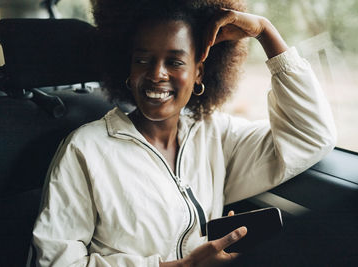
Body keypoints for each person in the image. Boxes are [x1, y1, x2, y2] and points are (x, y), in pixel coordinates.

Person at [28, 0, 336, 266]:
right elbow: (54, 262)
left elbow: (312, 134)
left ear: (199, 71)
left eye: (174, 61)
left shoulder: (215, 134)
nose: (157, 73)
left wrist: (265, 32)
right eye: (143, 59)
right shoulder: (85, 150)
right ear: (128, 68)